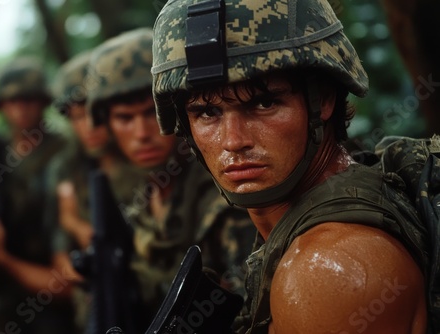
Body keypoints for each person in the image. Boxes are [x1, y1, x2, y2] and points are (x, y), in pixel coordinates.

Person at [151, 0, 429, 333]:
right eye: (207, 113)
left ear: (323, 100)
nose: (233, 140)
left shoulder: (328, 269)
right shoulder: (316, 223)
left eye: (264, 103)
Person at [88, 27, 257, 331]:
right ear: (109, 127)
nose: (142, 134)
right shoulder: (138, 198)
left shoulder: (224, 197)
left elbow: (251, 316)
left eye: (150, 114)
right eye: (125, 118)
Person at [0, 57, 79, 334]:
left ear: (43, 102)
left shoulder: (64, 151)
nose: (20, 109)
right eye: (11, 101)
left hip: (51, 278)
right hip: (7, 287)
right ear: (1, 106)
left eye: (28, 100)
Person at [49, 49, 145, 332]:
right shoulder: (67, 169)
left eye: (94, 112)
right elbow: (61, 259)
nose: (89, 125)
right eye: (77, 117)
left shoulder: (145, 160)